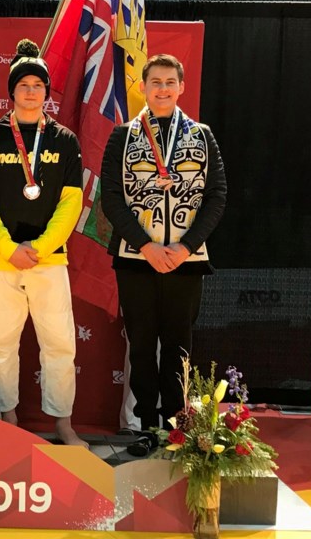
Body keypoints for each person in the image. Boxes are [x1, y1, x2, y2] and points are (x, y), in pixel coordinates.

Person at [100, 54, 227, 439]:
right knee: (140, 346)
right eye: (155, 82)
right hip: (136, 261)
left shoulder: (202, 135)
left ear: (181, 87)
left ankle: (176, 429)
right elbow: (111, 198)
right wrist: (146, 247)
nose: (162, 89)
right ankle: (145, 428)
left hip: (186, 263)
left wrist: (186, 247)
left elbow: (217, 196)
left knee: (178, 348)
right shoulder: (123, 136)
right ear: (143, 87)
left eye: (170, 82)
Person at [0, 39, 87, 447]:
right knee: (0, 347)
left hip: (49, 260)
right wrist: (8, 249)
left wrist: (39, 248)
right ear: (12, 92)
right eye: (24, 85)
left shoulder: (65, 141)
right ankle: (7, 419)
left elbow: (71, 203)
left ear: (47, 92)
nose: (32, 91)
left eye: (39, 85)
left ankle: (63, 425)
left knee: (59, 346)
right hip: (2, 262)